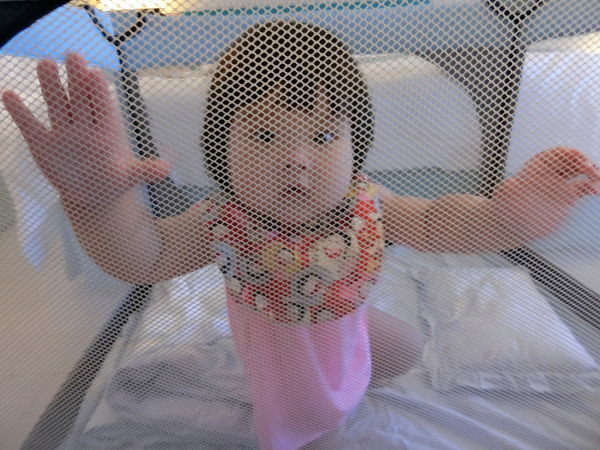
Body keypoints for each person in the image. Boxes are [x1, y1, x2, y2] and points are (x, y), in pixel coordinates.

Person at [3, 20, 599, 450]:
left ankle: (349, 363)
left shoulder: (369, 202)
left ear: (356, 146)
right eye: (264, 136)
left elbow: (444, 221)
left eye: (323, 136)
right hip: (280, 346)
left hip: (346, 321)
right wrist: (98, 200)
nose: (296, 159)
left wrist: (509, 216)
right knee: (314, 419)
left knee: (406, 350)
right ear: (221, 151)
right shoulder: (225, 220)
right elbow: (143, 257)